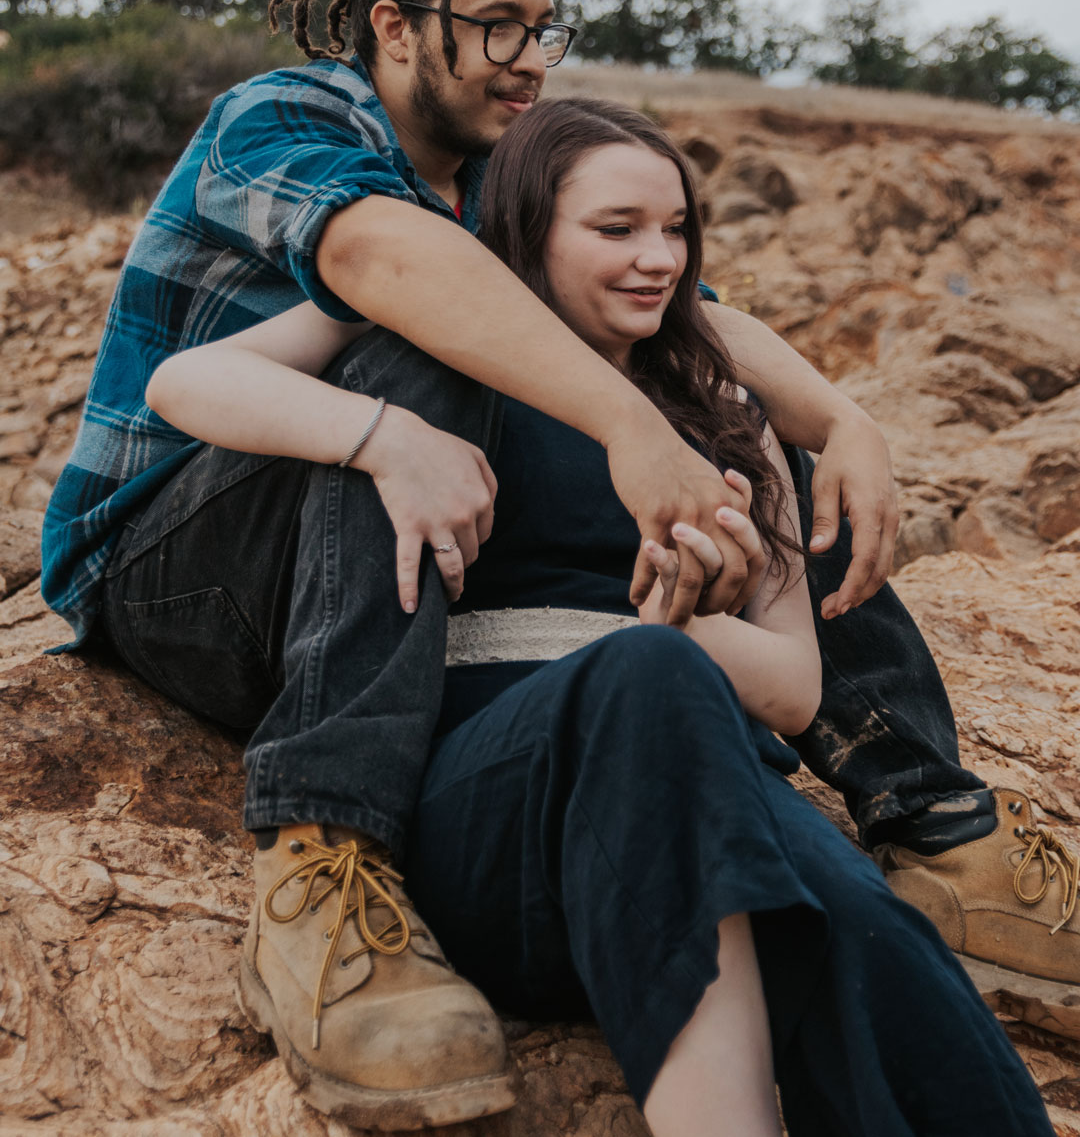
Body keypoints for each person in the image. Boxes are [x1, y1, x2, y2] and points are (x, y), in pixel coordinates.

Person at [39, 0, 1073, 1124]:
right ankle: (326, 849)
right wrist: (611, 435)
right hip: (176, 554)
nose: (531, 58)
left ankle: (929, 814)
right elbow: (387, 269)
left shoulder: (494, 189)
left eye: (546, 27)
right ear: (397, 27)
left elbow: (686, 314)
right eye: (499, 25)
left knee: (728, 432)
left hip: (372, 582)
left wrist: (840, 422)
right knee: (426, 353)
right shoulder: (291, 118)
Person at [144, 97, 1053, 1136]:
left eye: (675, 230)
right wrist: (383, 438)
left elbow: (798, 685)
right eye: (616, 230)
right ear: (530, 230)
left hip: (706, 787)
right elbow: (187, 381)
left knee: (884, 949)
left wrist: (681, 627)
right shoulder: (433, 340)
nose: (658, 259)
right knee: (650, 683)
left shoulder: (731, 411)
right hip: (498, 811)